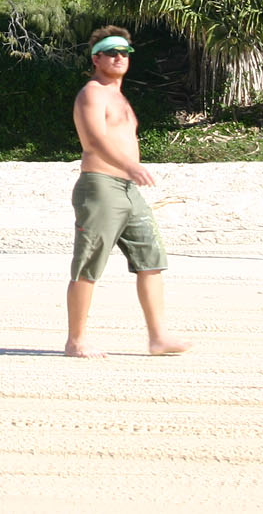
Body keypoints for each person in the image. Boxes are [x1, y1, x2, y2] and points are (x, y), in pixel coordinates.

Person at [65, 26, 191, 358]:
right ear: (97, 58)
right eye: (112, 52)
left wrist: (131, 173)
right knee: (88, 263)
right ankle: (76, 341)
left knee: (151, 260)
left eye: (125, 53)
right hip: (100, 187)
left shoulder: (120, 96)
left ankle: (158, 338)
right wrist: (130, 165)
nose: (120, 57)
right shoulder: (92, 93)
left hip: (128, 191)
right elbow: (93, 141)